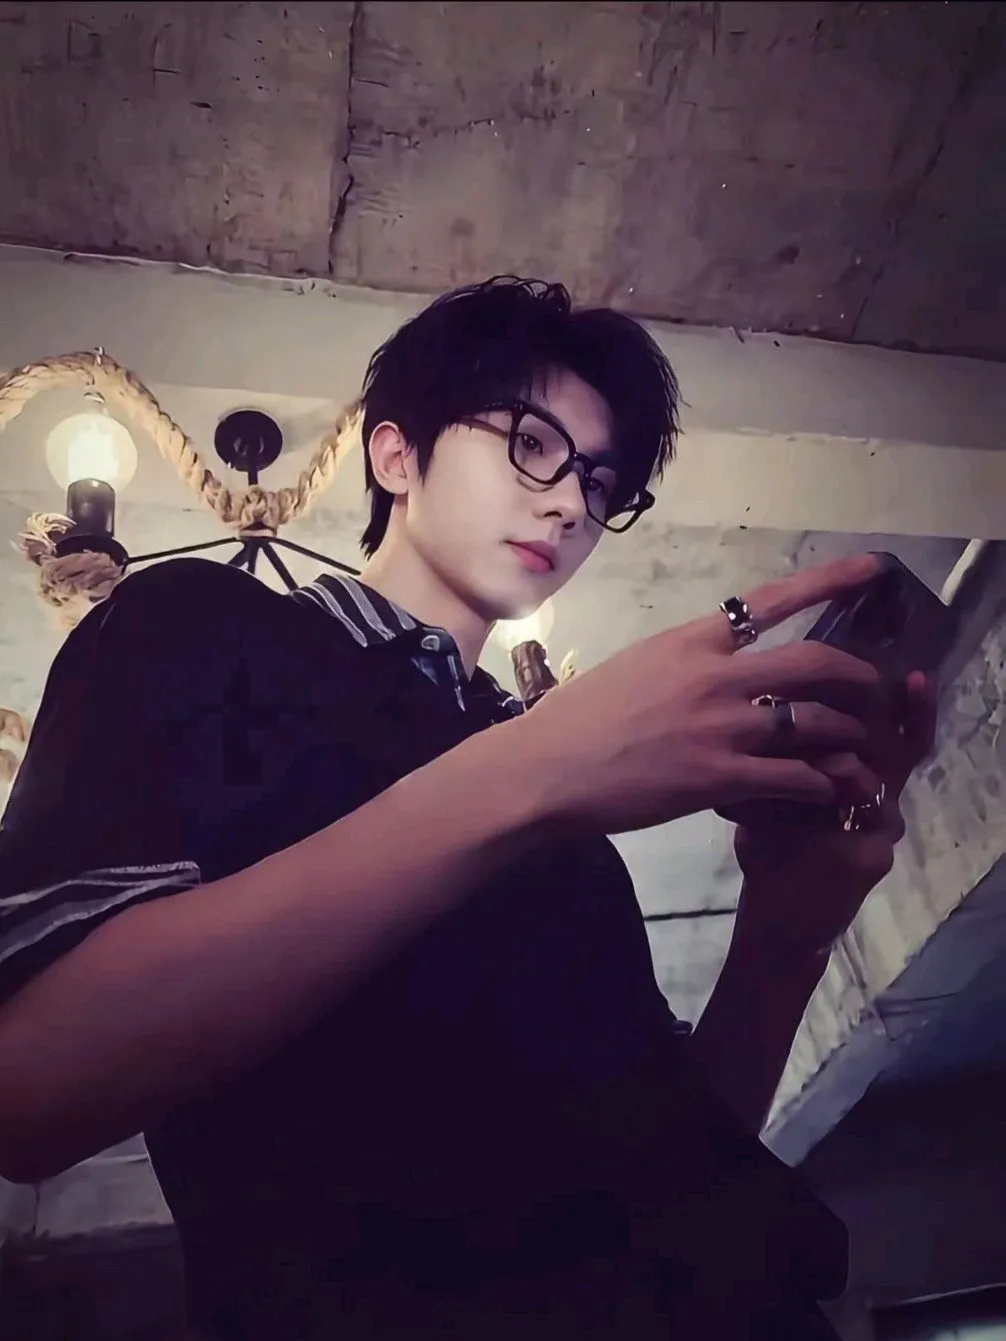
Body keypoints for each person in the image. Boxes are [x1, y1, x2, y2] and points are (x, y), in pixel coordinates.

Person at [0, 278, 933, 1339]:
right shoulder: (195, 622)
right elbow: (28, 1088)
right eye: (532, 444)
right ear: (395, 454)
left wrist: (785, 932)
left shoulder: (559, 801)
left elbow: (676, 1167)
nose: (572, 503)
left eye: (601, 481)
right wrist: (535, 768)